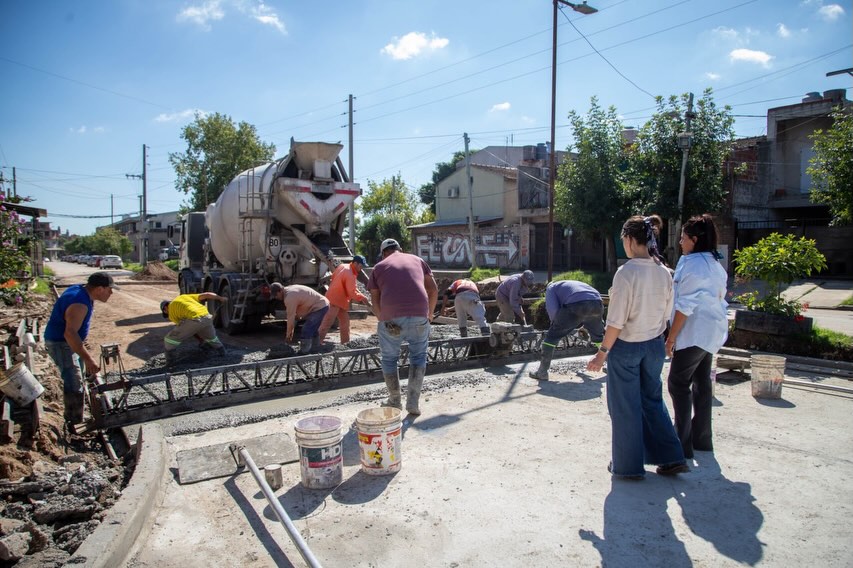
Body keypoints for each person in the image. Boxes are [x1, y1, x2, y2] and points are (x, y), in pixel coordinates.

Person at [586, 216, 688, 480]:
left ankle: (628, 466)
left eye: (624, 240)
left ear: (630, 240)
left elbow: (616, 321)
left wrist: (602, 352)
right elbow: (667, 313)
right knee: (652, 401)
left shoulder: (626, 273)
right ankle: (671, 456)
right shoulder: (665, 272)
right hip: (654, 346)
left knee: (625, 407)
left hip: (628, 348)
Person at [665, 214, 728, 460]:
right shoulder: (714, 263)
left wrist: (671, 337)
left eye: (682, 238)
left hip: (694, 332)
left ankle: (681, 443)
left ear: (693, 239)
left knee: (677, 383)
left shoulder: (691, 263)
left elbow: (684, 306)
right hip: (712, 332)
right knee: (702, 383)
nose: (680, 242)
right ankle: (703, 439)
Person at [367, 238, 438, 416]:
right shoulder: (418, 260)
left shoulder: (379, 267)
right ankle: (413, 403)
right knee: (419, 357)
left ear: (383, 253)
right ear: (400, 249)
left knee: (390, 359)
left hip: (391, 318)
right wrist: (429, 314)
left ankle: (394, 400)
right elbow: (433, 289)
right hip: (420, 315)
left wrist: (382, 318)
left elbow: (374, 299)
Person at [44, 272, 118, 424]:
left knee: (78, 376)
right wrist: (88, 359)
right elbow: (70, 334)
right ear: (99, 289)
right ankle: (74, 421)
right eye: (109, 289)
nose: (111, 292)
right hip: (61, 344)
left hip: (66, 342)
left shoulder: (80, 291)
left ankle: (76, 415)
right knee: (74, 380)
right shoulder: (79, 303)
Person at [529, 280, 604, 381]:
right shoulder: (573, 284)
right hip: (597, 303)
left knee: (551, 338)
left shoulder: (551, 288)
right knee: (599, 337)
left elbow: (553, 310)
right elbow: (589, 303)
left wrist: (556, 327)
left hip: (576, 304)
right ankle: (609, 365)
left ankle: (542, 372)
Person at [160, 292, 228, 365]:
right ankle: (223, 353)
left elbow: (189, 330)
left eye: (165, 312)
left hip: (195, 319)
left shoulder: (171, 314)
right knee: (212, 338)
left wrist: (199, 339)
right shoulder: (184, 297)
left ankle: (170, 363)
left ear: (165, 308)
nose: (167, 313)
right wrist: (221, 298)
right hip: (207, 317)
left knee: (169, 339)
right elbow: (207, 294)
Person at [317, 255, 372, 344]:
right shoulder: (350, 274)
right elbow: (352, 293)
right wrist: (364, 298)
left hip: (338, 300)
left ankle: (345, 344)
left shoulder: (343, 266)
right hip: (334, 301)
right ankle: (316, 344)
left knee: (345, 322)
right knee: (327, 323)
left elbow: (334, 277)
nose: (361, 269)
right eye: (361, 266)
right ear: (355, 263)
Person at [271, 283, 330, 354]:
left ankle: (304, 352)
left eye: (276, 295)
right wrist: (297, 317)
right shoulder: (288, 290)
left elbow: (290, 318)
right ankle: (315, 349)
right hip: (321, 305)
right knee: (312, 329)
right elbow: (296, 314)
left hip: (320, 306)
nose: (275, 297)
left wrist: (288, 336)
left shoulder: (289, 297)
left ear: (280, 291)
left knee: (306, 328)